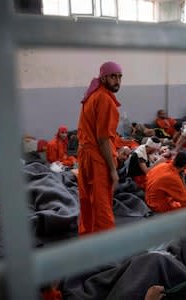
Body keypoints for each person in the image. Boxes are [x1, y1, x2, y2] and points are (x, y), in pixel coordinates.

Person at [77, 61, 123, 234]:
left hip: (85, 156)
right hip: (97, 159)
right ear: (103, 77)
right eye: (113, 76)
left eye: (119, 77)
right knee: (102, 205)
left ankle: (87, 240)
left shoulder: (92, 96)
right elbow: (103, 139)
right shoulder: (105, 100)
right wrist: (113, 170)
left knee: (87, 202)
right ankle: (105, 250)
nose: (117, 81)